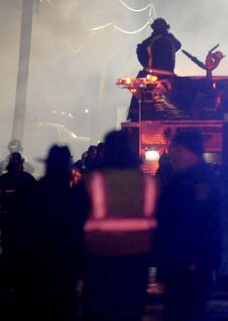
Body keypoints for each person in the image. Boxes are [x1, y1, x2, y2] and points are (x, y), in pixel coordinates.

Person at [82, 129, 158, 321]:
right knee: (130, 311)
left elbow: (75, 222)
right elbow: (162, 221)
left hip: (100, 260)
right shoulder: (148, 183)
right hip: (137, 260)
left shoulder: (94, 181)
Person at [154, 130, 222, 320]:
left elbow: (200, 225)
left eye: (177, 149)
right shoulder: (187, 179)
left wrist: (195, 261)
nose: (172, 153)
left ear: (189, 151)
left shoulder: (197, 182)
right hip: (183, 264)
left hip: (189, 266)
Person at [31, 145, 89, 319]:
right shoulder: (75, 190)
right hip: (66, 257)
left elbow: (30, 221)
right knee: (66, 302)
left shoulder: (39, 188)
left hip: (45, 257)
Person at [0, 152, 37, 289]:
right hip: (14, 219)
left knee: (12, 248)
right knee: (14, 248)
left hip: (16, 219)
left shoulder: (10, 178)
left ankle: (12, 276)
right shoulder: (21, 178)